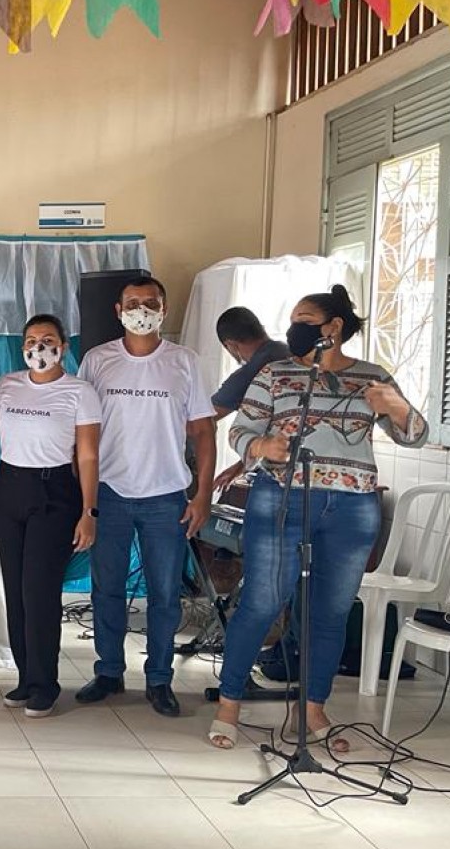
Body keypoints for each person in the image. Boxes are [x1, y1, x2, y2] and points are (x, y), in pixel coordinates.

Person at [208, 285, 427, 750]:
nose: (296, 327)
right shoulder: (275, 373)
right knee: (264, 602)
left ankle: (311, 711)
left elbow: (415, 436)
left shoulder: (372, 376)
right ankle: (229, 704)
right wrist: (260, 446)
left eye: (306, 318)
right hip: (280, 498)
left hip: (352, 506)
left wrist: (398, 407)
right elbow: (241, 428)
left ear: (334, 327)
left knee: (328, 612)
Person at [76, 277, 216, 717]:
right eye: (133, 303)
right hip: (110, 492)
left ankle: (159, 679)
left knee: (164, 595)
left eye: (150, 303)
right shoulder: (98, 361)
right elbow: (81, 432)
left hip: (166, 495)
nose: (141, 310)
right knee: (107, 590)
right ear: (118, 310)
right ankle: (109, 671)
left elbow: (203, 431)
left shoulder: (185, 362)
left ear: (164, 307)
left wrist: (203, 494)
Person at [0, 314, 102, 718]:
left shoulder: (79, 392)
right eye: (32, 339)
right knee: (16, 592)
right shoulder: (6, 385)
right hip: (9, 490)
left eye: (48, 339)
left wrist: (89, 510)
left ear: (64, 346)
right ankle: (25, 677)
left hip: (55, 493)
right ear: (22, 346)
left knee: (40, 591)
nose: (40, 346)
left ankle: (45, 682)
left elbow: (87, 455)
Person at [212, 306, 291, 494]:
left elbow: (205, 417)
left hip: (279, 477)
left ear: (230, 345)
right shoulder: (289, 352)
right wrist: (241, 465)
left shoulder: (254, 371)